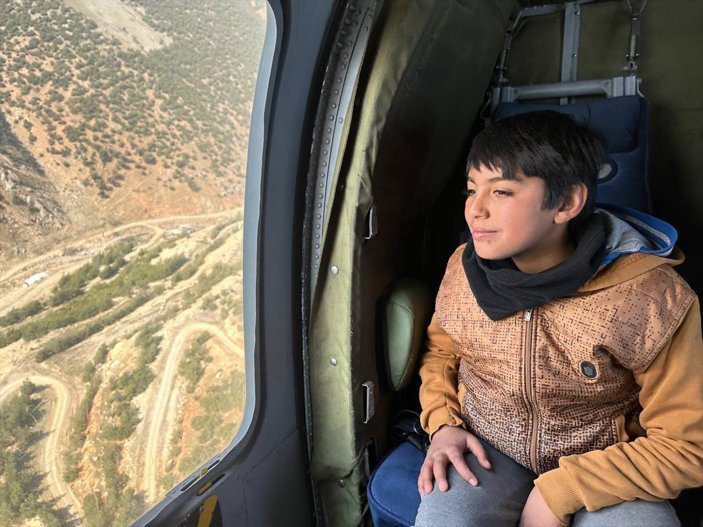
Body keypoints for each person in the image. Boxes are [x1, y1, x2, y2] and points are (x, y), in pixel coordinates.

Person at [414, 110, 703, 527]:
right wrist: (443, 424)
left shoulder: (652, 295)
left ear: (566, 203)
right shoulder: (462, 268)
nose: (475, 209)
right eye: (472, 189)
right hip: (489, 451)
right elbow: (442, 352)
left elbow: (685, 446)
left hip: (607, 468)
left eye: (502, 192)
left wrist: (559, 491)